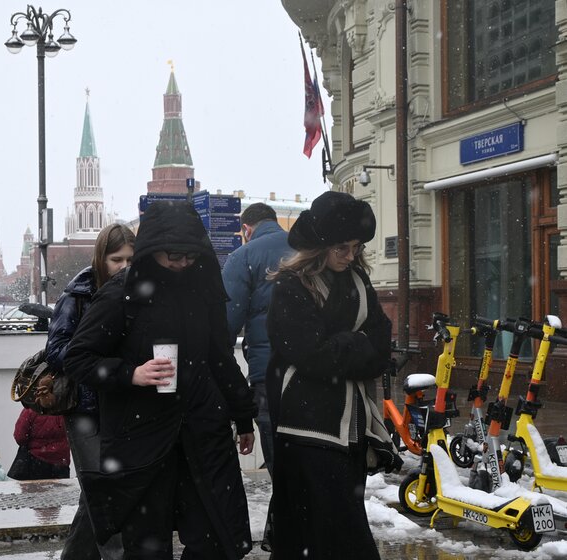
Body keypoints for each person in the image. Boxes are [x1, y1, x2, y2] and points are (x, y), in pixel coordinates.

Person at [64, 201, 257, 559]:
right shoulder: (122, 294)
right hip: (144, 441)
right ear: (152, 250)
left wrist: (243, 414)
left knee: (216, 537)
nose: (183, 264)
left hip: (202, 433)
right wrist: (131, 373)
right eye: (174, 256)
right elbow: (78, 358)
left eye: (190, 256)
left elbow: (219, 358)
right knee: (148, 547)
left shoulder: (203, 289)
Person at [265, 191, 400, 559]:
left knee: (338, 523)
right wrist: (358, 346)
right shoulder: (291, 285)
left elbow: (381, 344)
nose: (350, 256)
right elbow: (312, 355)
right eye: (342, 247)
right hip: (305, 424)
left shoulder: (358, 280)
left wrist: (345, 348)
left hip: (350, 425)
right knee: (322, 528)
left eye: (356, 247)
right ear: (319, 246)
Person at [46, 223, 134, 560]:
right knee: (102, 490)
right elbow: (56, 350)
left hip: (123, 405)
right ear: (101, 260)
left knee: (96, 496)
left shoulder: (139, 293)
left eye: (130, 259)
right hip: (85, 407)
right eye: (116, 260)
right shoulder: (79, 293)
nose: (124, 267)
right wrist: (102, 361)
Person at [221, 202, 291, 476]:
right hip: (314, 372)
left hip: (268, 373)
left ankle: (286, 512)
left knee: (278, 455)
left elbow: (226, 322)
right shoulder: (308, 250)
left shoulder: (244, 256)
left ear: (246, 229)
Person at [9, 407, 71, 480]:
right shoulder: (67, 408)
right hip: (61, 462)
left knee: (35, 490)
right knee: (59, 490)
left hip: (35, 462)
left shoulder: (32, 409)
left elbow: (20, 437)